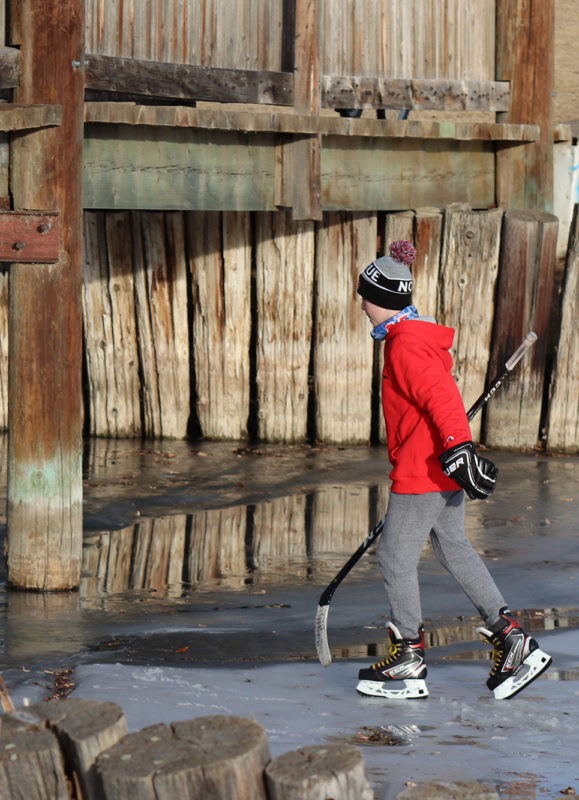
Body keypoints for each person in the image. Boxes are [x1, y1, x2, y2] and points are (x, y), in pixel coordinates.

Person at [355, 240, 552, 700]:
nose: (361, 304)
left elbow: (441, 400)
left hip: (424, 470)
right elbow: (439, 398)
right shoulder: (413, 336)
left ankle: (407, 656)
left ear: (381, 298)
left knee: (395, 557)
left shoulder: (404, 344)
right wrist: (455, 450)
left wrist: (458, 448)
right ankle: (511, 640)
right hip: (437, 467)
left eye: (363, 295)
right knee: (453, 548)